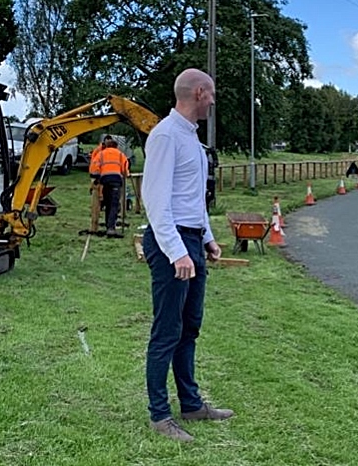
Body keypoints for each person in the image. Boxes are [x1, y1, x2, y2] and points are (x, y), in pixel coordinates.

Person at [141, 68, 232, 442]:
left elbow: (192, 200)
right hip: (171, 244)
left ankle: (191, 405)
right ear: (198, 92)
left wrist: (207, 238)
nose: (213, 101)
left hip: (191, 239)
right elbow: (156, 200)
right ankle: (160, 416)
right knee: (167, 331)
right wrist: (177, 252)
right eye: (210, 95)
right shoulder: (165, 135)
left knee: (189, 327)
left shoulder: (191, 141)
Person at [89, 137, 129, 237]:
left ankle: (108, 226)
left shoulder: (101, 154)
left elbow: (94, 168)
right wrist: (125, 173)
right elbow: (125, 169)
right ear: (116, 146)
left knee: (107, 203)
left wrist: (96, 178)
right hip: (116, 181)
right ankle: (111, 228)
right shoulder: (120, 154)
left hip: (105, 181)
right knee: (114, 205)